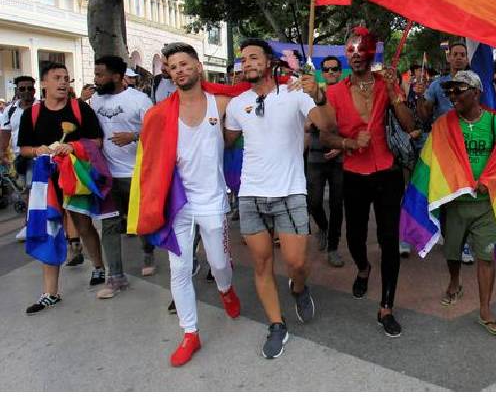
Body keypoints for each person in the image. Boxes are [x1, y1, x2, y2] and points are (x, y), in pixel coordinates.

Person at [139, 43, 241, 366]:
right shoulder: (159, 114)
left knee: (220, 262)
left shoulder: (221, 103)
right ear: (168, 74)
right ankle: (190, 333)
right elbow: (151, 159)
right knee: (179, 269)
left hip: (213, 199)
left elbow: (253, 99)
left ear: (198, 67)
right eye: (173, 66)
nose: (179, 69)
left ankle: (225, 289)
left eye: (185, 63)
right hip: (178, 203)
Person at [224, 39, 325, 359]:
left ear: (269, 62)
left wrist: (318, 95)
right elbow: (226, 140)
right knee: (262, 262)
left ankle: (298, 287)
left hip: (290, 191)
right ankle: (276, 324)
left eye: (253, 57)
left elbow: (326, 123)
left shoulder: (295, 92)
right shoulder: (237, 104)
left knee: (296, 261)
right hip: (251, 194)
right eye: (243, 59)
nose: (247, 63)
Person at [320, 27, 416, 337]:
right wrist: (348, 143)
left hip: (387, 171)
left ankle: (386, 306)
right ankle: (363, 268)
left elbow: (409, 124)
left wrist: (394, 94)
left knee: (389, 239)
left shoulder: (385, 84)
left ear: (372, 52)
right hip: (354, 174)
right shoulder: (334, 92)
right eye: (350, 50)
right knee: (355, 238)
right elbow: (324, 136)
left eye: (361, 49)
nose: (356, 54)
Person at [17, 62, 107, 314]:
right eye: (57, 77)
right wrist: (37, 150)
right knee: (49, 229)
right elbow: (23, 148)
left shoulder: (79, 109)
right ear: (43, 83)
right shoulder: (31, 115)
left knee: (82, 224)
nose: (63, 82)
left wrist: (74, 147)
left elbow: (97, 141)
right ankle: (50, 292)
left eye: (66, 77)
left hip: (76, 177)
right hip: (46, 182)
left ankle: (98, 266)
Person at [436, 71, 496, 335]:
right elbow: (436, 157)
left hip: (485, 205)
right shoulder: (444, 123)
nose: (453, 96)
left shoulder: (494, 123)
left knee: (485, 256)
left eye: (459, 90)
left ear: (476, 93)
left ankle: (485, 309)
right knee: (452, 253)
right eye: (450, 91)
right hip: (455, 204)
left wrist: (486, 180)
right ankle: (455, 281)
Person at [87, 56, 155, 298]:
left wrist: (133, 136)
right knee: (110, 225)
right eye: (95, 74)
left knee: (141, 223)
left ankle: (148, 250)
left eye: (100, 75)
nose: (96, 79)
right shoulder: (94, 100)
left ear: (116, 76)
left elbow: (157, 130)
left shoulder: (139, 100)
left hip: (135, 174)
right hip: (107, 176)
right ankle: (116, 277)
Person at [418, 40, 473, 263]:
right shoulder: (436, 85)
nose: (459, 57)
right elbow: (424, 116)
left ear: (467, 59)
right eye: (455, 54)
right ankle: (446, 234)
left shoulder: (475, 83)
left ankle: (466, 244)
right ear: (448, 57)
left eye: (463, 54)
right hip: (442, 148)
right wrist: (421, 95)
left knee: (466, 195)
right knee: (445, 195)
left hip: (469, 146)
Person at [304, 55, 346, 267]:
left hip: (340, 158)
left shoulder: (347, 94)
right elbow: (306, 123)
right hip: (316, 156)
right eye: (327, 69)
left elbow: (352, 125)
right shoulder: (311, 92)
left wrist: (339, 148)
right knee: (314, 202)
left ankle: (333, 247)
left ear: (340, 71)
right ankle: (323, 226)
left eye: (334, 69)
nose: (330, 72)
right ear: (321, 72)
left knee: (338, 204)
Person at [1, 75, 37, 241]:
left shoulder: (41, 107)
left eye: (29, 88)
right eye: (22, 88)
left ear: (34, 89)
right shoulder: (10, 110)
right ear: (17, 90)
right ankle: (31, 225)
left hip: (38, 156)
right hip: (18, 158)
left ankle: (30, 225)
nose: (26, 92)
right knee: (25, 192)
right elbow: (5, 133)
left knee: (32, 190)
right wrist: (2, 153)